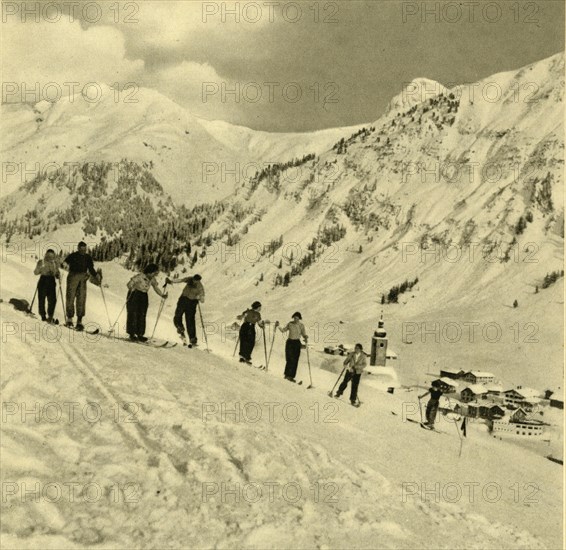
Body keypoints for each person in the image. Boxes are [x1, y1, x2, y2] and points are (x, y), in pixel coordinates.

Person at [63, 241, 101, 330]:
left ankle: (79, 321)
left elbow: (91, 268)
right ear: (78, 248)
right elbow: (65, 262)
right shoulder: (73, 255)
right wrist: (64, 264)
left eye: (84, 249)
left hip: (83, 278)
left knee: (81, 299)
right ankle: (69, 319)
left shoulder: (88, 257)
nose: (83, 251)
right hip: (73, 276)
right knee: (70, 297)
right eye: (81, 249)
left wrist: (96, 275)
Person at [126, 263, 167, 342]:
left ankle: (140, 334)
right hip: (135, 294)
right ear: (150, 271)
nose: (154, 275)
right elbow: (129, 284)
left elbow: (155, 287)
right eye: (154, 273)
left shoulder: (152, 279)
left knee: (142, 314)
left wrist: (162, 295)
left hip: (144, 296)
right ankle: (132, 334)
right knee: (133, 313)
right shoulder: (140, 276)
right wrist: (132, 288)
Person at [167, 273, 205, 346]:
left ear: (198, 281)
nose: (194, 282)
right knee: (177, 315)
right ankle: (180, 328)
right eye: (194, 280)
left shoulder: (200, 287)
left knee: (190, 320)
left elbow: (203, 300)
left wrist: (199, 297)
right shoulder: (189, 279)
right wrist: (171, 281)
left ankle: (192, 339)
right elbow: (180, 280)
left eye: (196, 281)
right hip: (183, 299)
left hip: (192, 303)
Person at [276, 312, 308, 382]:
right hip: (290, 342)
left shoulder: (301, 325)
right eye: (295, 318)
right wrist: (278, 326)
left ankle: (291, 376)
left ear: (299, 319)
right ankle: (287, 374)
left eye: (297, 318)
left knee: (295, 360)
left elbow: (303, 334)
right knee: (289, 358)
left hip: (297, 343)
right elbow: (283, 330)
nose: (296, 319)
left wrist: (305, 337)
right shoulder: (290, 324)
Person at [33, 249, 60, 323]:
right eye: (49, 256)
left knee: (52, 300)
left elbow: (57, 272)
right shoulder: (41, 262)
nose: (50, 257)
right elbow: (35, 272)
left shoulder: (54, 264)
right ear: (46, 255)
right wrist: (40, 268)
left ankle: (50, 316)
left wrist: (58, 275)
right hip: (43, 281)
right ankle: (43, 316)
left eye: (52, 256)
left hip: (51, 281)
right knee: (42, 299)